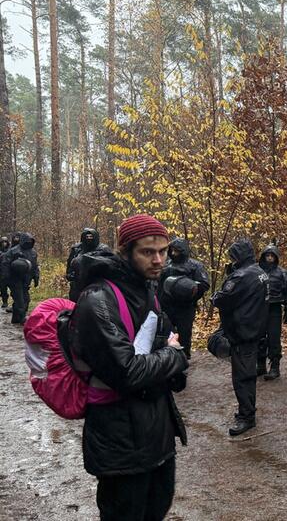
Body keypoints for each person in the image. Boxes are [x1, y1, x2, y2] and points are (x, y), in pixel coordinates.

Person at [68, 213, 189, 521]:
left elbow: (158, 343)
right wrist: (174, 357)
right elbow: (128, 372)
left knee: (157, 509)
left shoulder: (148, 289)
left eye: (162, 251)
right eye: (148, 252)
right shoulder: (98, 300)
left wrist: (169, 361)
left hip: (157, 435)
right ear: (126, 251)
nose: (159, 260)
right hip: (119, 442)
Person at [211, 239, 268, 436]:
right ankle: (247, 412)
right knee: (247, 374)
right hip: (253, 330)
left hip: (242, 332)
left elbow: (221, 299)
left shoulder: (241, 276)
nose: (231, 260)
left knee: (242, 377)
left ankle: (247, 416)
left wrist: (222, 287)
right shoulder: (260, 272)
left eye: (233, 256)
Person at [158, 238, 210, 359]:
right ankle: (166, 358)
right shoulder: (165, 264)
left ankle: (184, 358)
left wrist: (191, 289)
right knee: (166, 334)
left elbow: (204, 284)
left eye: (177, 251)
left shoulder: (195, 265)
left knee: (185, 334)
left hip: (185, 308)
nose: (174, 253)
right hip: (166, 307)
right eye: (173, 250)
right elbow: (155, 284)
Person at [258, 244, 287, 380]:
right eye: (267, 255)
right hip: (259, 308)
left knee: (274, 338)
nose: (269, 258)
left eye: (272, 256)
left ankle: (275, 367)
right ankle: (260, 365)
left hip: (274, 308)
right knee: (259, 337)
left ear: (276, 257)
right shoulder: (256, 271)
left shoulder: (282, 273)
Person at [1, 232, 40, 324]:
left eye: (31, 240)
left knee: (26, 299)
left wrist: (36, 277)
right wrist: (6, 277)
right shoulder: (13, 251)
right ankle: (22, 318)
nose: (29, 242)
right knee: (20, 301)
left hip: (27, 279)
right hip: (15, 279)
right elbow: (5, 264)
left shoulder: (33, 252)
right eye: (27, 240)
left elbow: (35, 266)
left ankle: (15, 319)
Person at [67, 228, 108, 301]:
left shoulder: (103, 250)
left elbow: (108, 269)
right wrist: (72, 275)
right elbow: (69, 268)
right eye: (87, 237)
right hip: (77, 288)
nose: (89, 240)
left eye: (91, 237)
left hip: (97, 288)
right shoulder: (76, 249)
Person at [0, 236, 10, 309]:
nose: (4, 243)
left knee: (15, 289)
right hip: (1, 273)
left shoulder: (11, 251)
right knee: (3, 289)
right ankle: (5, 302)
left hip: (10, 273)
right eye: (2, 242)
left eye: (5, 242)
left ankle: (16, 304)